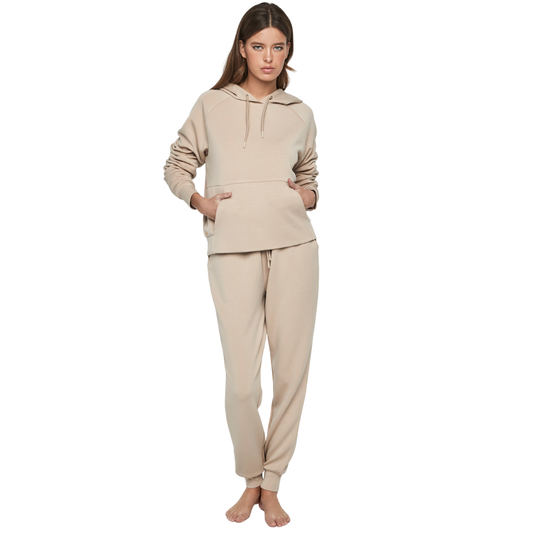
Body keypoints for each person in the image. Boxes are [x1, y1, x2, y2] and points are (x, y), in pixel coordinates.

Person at [163, 2, 319, 527]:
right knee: (242, 385)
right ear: (241, 49)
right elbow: (177, 163)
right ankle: (250, 476)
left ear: (288, 51)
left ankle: (270, 485)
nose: (268, 57)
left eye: (278, 47)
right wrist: (199, 202)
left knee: (291, 374)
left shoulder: (300, 111)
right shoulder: (212, 104)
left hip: (295, 248)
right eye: (258, 46)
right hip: (231, 248)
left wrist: (307, 196)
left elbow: (310, 173)